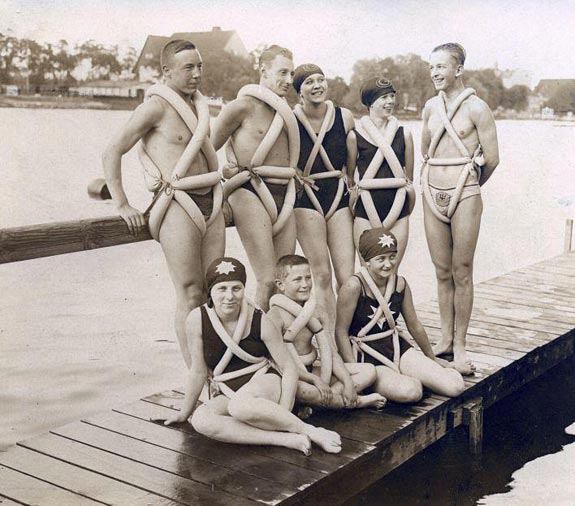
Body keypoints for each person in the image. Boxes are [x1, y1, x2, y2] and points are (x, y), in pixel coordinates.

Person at [102, 40, 225, 367]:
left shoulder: (200, 106)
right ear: (167, 71)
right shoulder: (155, 108)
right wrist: (122, 204)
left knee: (216, 289)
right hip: (177, 205)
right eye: (188, 67)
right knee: (190, 292)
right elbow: (112, 151)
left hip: (212, 203)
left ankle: (219, 371)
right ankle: (196, 375)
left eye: (200, 66)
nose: (197, 74)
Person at [162, 257, 342, 455]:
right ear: (211, 292)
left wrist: (284, 410)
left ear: (243, 289)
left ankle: (312, 431)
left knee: (240, 406)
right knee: (201, 420)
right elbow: (198, 371)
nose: (229, 296)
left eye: (236, 288)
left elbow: (288, 367)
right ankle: (285, 439)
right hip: (227, 388)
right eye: (222, 289)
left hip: (265, 380)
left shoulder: (258, 319)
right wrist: (184, 414)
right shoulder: (196, 319)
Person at [421, 43, 499, 374]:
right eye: (432, 67)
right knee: (441, 271)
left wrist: (470, 186)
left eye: (441, 66)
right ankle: (445, 339)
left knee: (462, 270)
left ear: (459, 69)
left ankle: (461, 345)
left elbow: (492, 159)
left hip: (465, 191)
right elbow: (425, 152)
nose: (435, 73)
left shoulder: (478, 108)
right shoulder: (429, 107)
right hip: (432, 191)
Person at [211, 45, 299, 311]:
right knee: (267, 279)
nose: (289, 80)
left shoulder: (287, 114)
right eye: (282, 72)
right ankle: (256, 335)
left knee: (286, 281)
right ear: (263, 70)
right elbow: (206, 151)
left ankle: (278, 334)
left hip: (284, 194)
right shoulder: (241, 107)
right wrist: (222, 178)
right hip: (249, 191)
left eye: (291, 73)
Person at [335, 227, 465, 403]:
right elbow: (340, 332)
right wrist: (356, 372)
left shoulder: (400, 284)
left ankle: (437, 372)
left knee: (455, 386)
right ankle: (408, 380)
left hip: (395, 346)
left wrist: (431, 358)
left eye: (392, 257)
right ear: (366, 261)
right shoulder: (353, 286)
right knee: (411, 392)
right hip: (366, 355)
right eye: (380, 259)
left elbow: (414, 325)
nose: (388, 264)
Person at [267, 255, 387, 410]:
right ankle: (355, 402)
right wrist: (315, 380)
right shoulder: (274, 316)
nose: (305, 284)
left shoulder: (317, 311)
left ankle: (320, 402)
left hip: (312, 370)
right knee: (301, 390)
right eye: (297, 280)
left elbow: (331, 353)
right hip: (288, 374)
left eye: (308, 278)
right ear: (281, 285)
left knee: (369, 371)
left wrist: (348, 383)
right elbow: (280, 362)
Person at [291, 63, 356, 328]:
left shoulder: (344, 117)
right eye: (309, 82)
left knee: (348, 278)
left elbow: (357, 156)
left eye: (320, 79)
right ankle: (329, 337)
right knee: (321, 275)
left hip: (338, 195)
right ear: (299, 91)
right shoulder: (290, 119)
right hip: (306, 199)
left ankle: (348, 335)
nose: (317, 85)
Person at [347, 77, 415, 264]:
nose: (390, 101)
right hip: (366, 210)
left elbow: (409, 179)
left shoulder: (405, 135)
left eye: (392, 96)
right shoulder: (354, 137)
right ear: (370, 102)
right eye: (384, 97)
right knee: (367, 269)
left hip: (398, 210)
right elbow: (350, 179)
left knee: (392, 268)